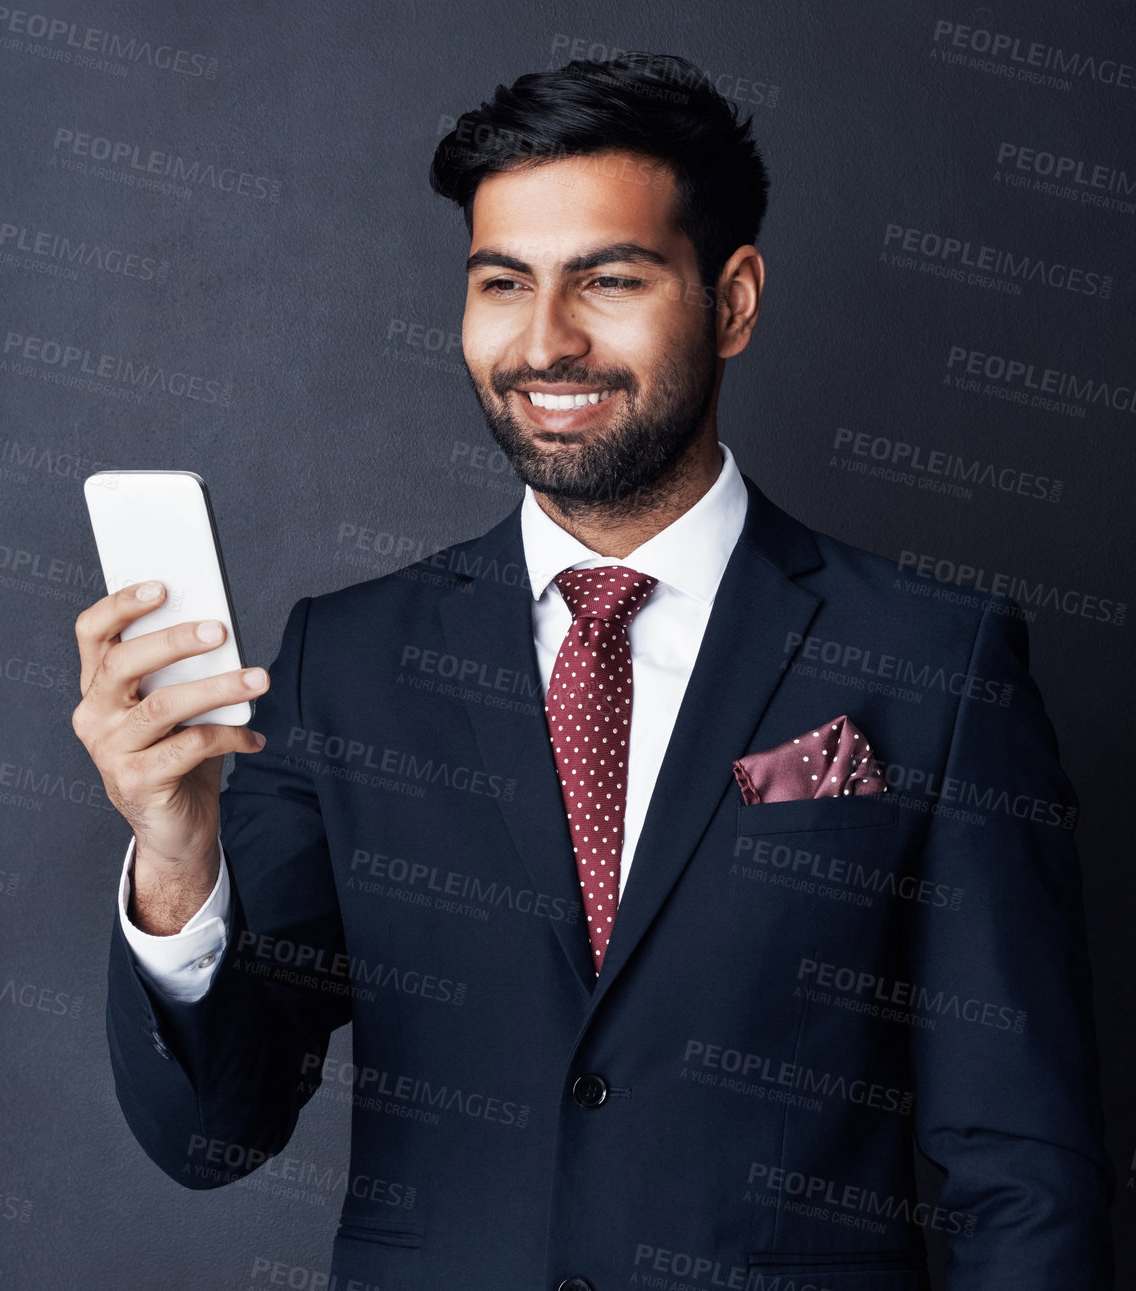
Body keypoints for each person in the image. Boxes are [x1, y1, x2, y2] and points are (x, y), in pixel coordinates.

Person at [72, 52, 1113, 1290]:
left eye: (609, 279)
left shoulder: (933, 662)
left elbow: (1025, 1173)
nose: (546, 341)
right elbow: (214, 1134)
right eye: (502, 282)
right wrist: (179, 860)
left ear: (732, 301)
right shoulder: (342, 664)